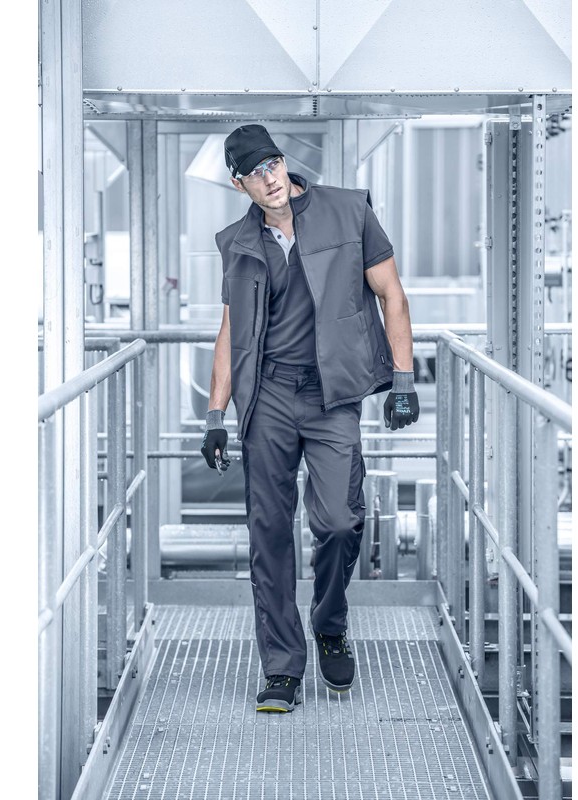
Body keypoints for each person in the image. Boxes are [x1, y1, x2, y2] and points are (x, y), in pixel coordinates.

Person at [200, 124, 419, 713]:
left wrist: (403, 379)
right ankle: (281, 667)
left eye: (273, 163)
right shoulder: (237, 242)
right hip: (268, 395)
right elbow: (230, 330)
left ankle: (329, 621)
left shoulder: (348, 212)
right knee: (269, 531)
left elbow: (391, 294)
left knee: (341, 521)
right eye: (255, 172)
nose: (269, 178)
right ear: (239, 184)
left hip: (332, 394)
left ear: (283, 162)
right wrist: (215, 413)